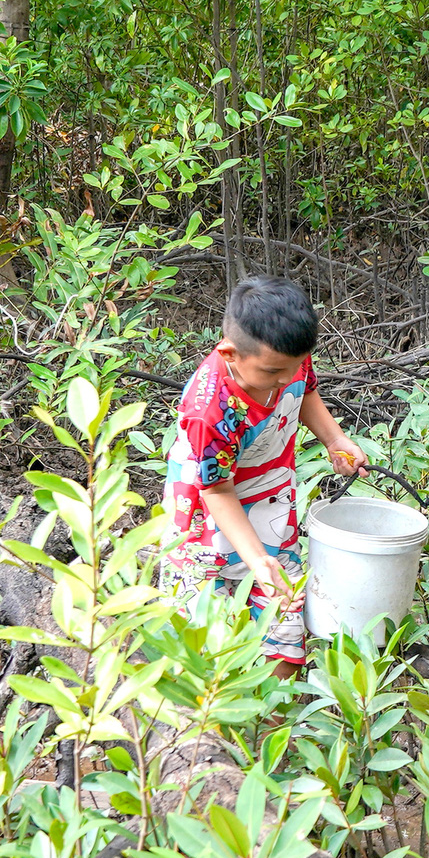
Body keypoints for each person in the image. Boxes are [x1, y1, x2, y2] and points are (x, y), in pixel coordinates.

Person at [164, 276, 366, 674]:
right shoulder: (211, 411)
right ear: (230, 353)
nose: (283, 378)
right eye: (273, 371)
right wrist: (257, 560)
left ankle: (279, 724)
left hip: (270, 496)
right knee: (209, 631)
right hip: (211, 510)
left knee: (285, 616)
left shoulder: (286, 356)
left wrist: (334, 438)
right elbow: (217, 491)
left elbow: (304, 390)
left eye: (292, 367)